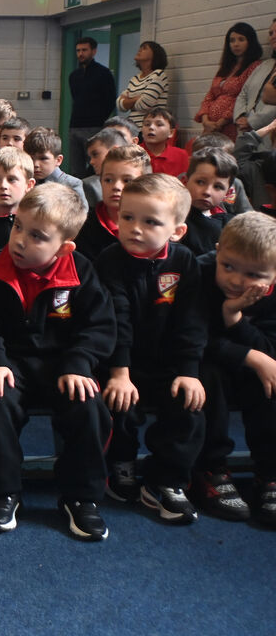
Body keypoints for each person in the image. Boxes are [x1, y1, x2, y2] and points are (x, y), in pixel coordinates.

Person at [0, 184, 115, 540]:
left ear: (64, 247)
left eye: (37, 236)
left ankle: (81, 497)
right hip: (11, 362)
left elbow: (99, 326)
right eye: (17, 226)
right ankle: (4, 490)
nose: (19, 240)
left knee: (88, 406)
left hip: (64, 363)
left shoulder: (82, 271)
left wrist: (79, 363)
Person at [96, 173, 206, 524]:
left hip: (168, 362)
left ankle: (166, 480)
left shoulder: (184, 262)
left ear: (177, 231)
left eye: (150, 222)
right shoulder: (110, 259)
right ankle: (121, 465)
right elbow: (116, 318)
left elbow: (192, 319)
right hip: (120, 363)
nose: (135, 228)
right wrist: (120, 372)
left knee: (189, 408)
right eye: (127, 217)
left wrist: (189, 371)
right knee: (121, 407)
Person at [193, 213, 276, 524]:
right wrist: (250, 355)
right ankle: (211, 469)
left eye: (254, 274)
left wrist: (234, 319)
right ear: (217, 251)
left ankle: (269, 474)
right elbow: (192, 338)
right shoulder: (200, 273)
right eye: (227, 266)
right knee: (207, 377)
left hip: (251, 366)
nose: (237, 281)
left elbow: (270, 350)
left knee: (270, 381)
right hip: (206, 364)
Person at [75, 144, 151, 260]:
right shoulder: (82, 227)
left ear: (145, 185)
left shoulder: (154, 226)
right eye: (108, 180)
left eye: (127, 180)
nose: (116, 186)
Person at [195, 22, 263, 141]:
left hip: (231, 125)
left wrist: (221, 122)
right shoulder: (226, 67)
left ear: (250, 42)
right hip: (210, 126)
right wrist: (206, 120)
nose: (235, 44)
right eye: (232, 40)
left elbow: (243, 98)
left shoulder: (255, 66)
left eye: (241, 39)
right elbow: (210, 96)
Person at [67, 37, 117, 163]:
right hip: (75, 125)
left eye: (84, 50)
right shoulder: (74, 75)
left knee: (94, 163)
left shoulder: (104, 73)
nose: (81, 54)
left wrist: (99, 120)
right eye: (78, 50)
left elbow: (110, 100)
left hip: (95, 126)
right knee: (76, 166)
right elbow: (76, 98)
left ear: (93, 51)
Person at [182, 148, 237, 257]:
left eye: (218, 187)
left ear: (228, 193)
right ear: (185, 181)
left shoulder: (230, 224)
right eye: (200, 182)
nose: (207, 192)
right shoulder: (173, 219)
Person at [24, 127, 87, 209]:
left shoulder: (71, 184)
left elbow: (81, 216)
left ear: (58, 160)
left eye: (43, 158)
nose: (35, 164)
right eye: (31, 158)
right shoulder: (25, 184)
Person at [115, 41, 171, 129]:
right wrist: (137, 98)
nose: (139, 50)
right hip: (133, 128)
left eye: (144, 48)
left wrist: (129, 101)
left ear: (155, 55)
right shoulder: (135, 79)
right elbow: (120, 105)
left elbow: (144, 105)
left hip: (150, 128)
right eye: (140, 48)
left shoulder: (159, 75)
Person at [234, 18, 276, 132]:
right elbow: (243, 93)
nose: (273, 36)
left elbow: (273, 102)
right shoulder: (264, 65)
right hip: (245, 131)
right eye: (271, 33)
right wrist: (240, 116)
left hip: (269, 133)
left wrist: (252, 122)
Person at [82, 127, 129, 206]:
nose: (91, 162)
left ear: (114, 151)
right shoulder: (90, 186)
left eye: (95, 154)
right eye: (108, 180)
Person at [141, 108, 189, 178]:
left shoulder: (181, 155)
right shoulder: (133, 153)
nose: (151, 127)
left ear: (171, 132)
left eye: (159, 124)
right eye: (147, 124)